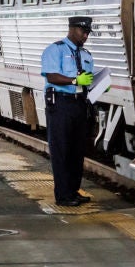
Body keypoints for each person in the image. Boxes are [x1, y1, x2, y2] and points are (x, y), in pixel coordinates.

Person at [41, 16, 96, 207]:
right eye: (83, 31)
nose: (86, 35)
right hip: (60, 105)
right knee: (62, 150)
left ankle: (73, 190)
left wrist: (98, 85)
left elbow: (89, 78)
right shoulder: (55, 50)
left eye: (88, 32)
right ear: (72, 29)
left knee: (77, 151)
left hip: (79, 105)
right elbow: (52, 76)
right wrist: (75, 81)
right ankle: (63, 195)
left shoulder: (87, 55)